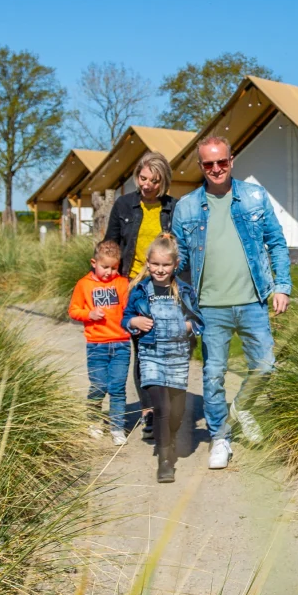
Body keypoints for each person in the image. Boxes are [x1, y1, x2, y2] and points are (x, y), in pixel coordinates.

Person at [171, 134, 289, 470]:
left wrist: (282, 286)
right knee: (212, 376)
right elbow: (179, 262)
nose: (216, 168)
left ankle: (242, 408)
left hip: (252, 301)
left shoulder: (254, 197)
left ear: (232, 160)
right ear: (200, 166)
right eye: (208, 164)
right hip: (209, 307)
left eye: (222, 161)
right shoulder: (187, 207)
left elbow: (277, 243)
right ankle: (219, 437)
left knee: (265, 366)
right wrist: (165, 280)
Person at [103, 151, 177, 441]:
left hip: (166, 288)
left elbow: (181, 248)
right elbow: (111, 243)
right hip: (134, 288)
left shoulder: (173, 208)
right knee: (143, 350)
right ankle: (149, 413)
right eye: (142, 178)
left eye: (154, 181)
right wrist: (105, 282)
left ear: (164, 182)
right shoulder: (124, 205)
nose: (146, 185)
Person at [123, 233, 200, 483]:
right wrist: (134, 321)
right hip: (151, 355)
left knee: (177, 410)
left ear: (175, 265)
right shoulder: (140, 291)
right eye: (155, 264)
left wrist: (187, 327)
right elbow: (126, 317)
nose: (160, 269)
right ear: (147, 263)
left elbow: (198, 320)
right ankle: (165, 460)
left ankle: (171, 435)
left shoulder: (185, 291)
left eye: (166, 265)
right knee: (162, 408)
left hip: (177, 357)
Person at [66, 239, 131, 443]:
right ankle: (94, 421)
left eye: (114, 267)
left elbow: (129, 309)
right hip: (96, 345)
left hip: (121, 343)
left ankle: (117, 427)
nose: (109, 272)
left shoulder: (122, 283)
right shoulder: (84, 285)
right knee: (99, 386)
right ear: (94, 262)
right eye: (105, 267)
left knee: (118, 387)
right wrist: (89, 314)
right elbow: (73, 310)